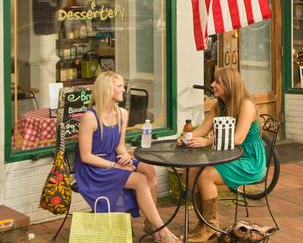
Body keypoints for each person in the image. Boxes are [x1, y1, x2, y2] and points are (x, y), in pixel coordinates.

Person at [75, 72, 178, 242]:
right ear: (107, 89)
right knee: (140, 180)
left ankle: (150, 223)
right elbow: (86, 156)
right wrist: (116, 166)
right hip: (94, 168)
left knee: (148, 169)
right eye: (120, 86)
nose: (124, 89)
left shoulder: (122, 113)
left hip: (113, 158)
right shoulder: (90, 117)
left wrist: (126, 158)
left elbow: (119, 146)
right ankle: (163, 231)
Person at [183, 66, 266, 242]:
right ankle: (204, 222)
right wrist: (185, 138)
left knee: (206, 176)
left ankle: (209, 226)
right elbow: (203, 129)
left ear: (228, 85)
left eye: (217, 82)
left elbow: (238, 138)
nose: (212, 84)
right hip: (227, 155)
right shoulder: (220, 104)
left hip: (248, 160)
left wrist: (207, 141)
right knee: (190, 171)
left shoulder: (246, 105)